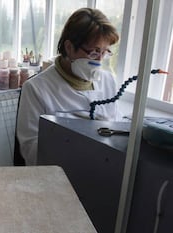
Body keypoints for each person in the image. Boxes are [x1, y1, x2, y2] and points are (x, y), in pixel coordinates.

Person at [16, 8, 124, 166]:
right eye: (93, 52)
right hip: (57, 176)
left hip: (101, 168)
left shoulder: (108, 81)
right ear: (69, 47)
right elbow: (30, 151)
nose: (99, 61)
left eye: (104, 52)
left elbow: (116, 125)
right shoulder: (36, 88)